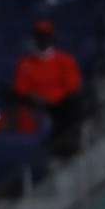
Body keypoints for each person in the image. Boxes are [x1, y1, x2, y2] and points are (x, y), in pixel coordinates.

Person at [13, 19, 84, 156]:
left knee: (74, 102)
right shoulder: (25, 62)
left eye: (45, 36)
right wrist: (36, 97)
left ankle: (70, 143)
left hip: (60, 103)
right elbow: (20, 88)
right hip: (35, 103)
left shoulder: (66, 60)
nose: (43, 40)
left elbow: (72, 85)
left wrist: (51, 98)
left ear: (52, 38)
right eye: (40, 36)